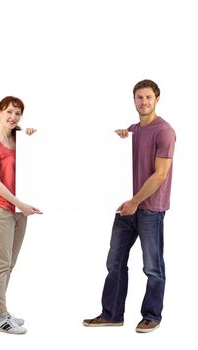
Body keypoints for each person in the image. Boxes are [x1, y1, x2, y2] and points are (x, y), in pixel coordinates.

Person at [83, 79, 176, 333]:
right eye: (139, 97)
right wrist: (121, 136)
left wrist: (136, 202)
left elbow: (160, 175)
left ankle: (152, 315)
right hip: (126, 208)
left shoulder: (164, 131)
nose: (144, 102)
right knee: (115, 262)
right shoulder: (134, 129)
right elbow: (120, 163)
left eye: (148, 97)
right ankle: (112, 314)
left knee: (153, 267)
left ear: (157, 99)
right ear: (134, 100)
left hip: (149, 210)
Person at [0, 96, 42, 334]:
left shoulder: (22, 141)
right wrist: (20, 205)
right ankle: (0, 316)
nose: (13, 117)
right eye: (9, 112)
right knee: (1, 263)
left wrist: (33, 139)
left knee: (10, 263)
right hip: (3, 210)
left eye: (18, 113)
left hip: (21, 211)